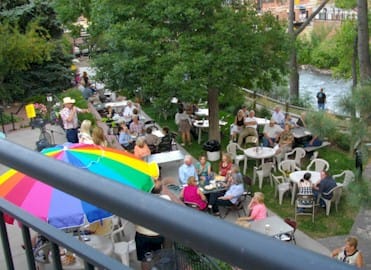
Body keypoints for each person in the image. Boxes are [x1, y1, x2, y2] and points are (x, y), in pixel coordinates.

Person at [135, 181, 170, 270]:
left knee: (145, 260)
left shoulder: (137, 202)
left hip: (142, 235)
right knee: (157, 256)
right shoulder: (166, 199)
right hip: (157, 235)